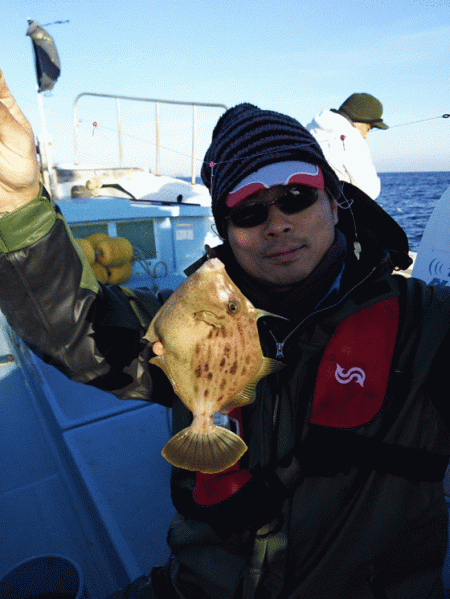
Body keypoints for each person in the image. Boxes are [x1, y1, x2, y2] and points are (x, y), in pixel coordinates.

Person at [0, 69, 449, 599]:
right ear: (226, 229)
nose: (277, 222)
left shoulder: (428, 324)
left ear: (335, 200)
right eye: (249, 209)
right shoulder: (185, 320)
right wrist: (18, 200)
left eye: (298, 195)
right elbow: (79, 329)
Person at [306, 93, 388, 200]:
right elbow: (368, 191)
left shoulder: (310, 129)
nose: (366, 136)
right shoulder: (352, 138)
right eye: (368, 129)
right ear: (360, 119)